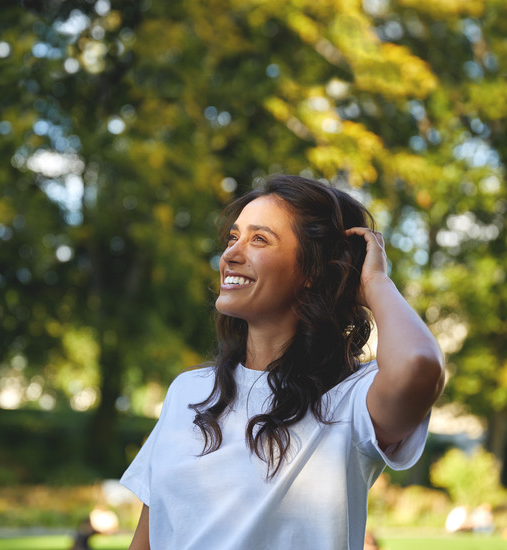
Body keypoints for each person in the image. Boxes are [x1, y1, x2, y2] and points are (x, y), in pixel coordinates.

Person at [121, 174, 445, 550]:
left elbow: (419, 366)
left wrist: (374, 282)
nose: (230, 254)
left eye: (259, 239)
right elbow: (146, 539)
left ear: (312, 272)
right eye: (233, 237)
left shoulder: (352, 403)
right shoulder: (187, 393)